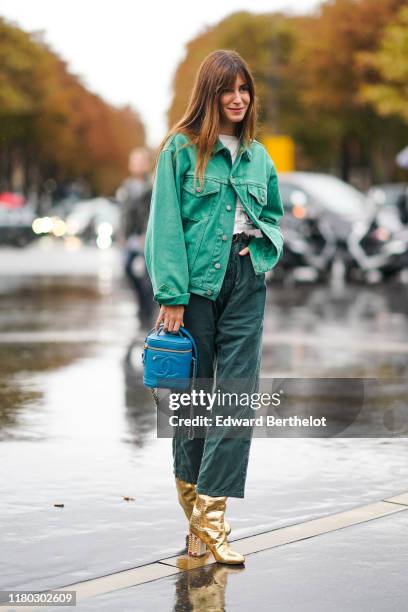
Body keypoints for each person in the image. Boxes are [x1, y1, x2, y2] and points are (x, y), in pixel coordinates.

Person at [144, 50, 284, 564]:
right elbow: (164, 227)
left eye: (245, 89)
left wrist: (264, 246)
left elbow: (272, 212)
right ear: (210, 93)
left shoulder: (259, 155)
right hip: (195, 289)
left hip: (246, 281)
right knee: (193, 399)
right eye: (228, 89)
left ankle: (212, 516)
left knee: (237, 394)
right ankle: (194, 514)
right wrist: (172, 296)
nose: (238, 98)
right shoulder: (179, 152)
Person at [117, 147, 154, 322]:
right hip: (131, 237)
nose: (138, 165)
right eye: (135, 162)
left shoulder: (154, 184)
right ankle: (141, 304)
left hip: (147, 237)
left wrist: (147, 234)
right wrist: (122, 235)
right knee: (127, 268)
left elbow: (153, 212)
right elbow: (124, 213)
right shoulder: (126, 186)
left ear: (147, 164)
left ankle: (147, 310)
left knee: (148, 277)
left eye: (141, 161)